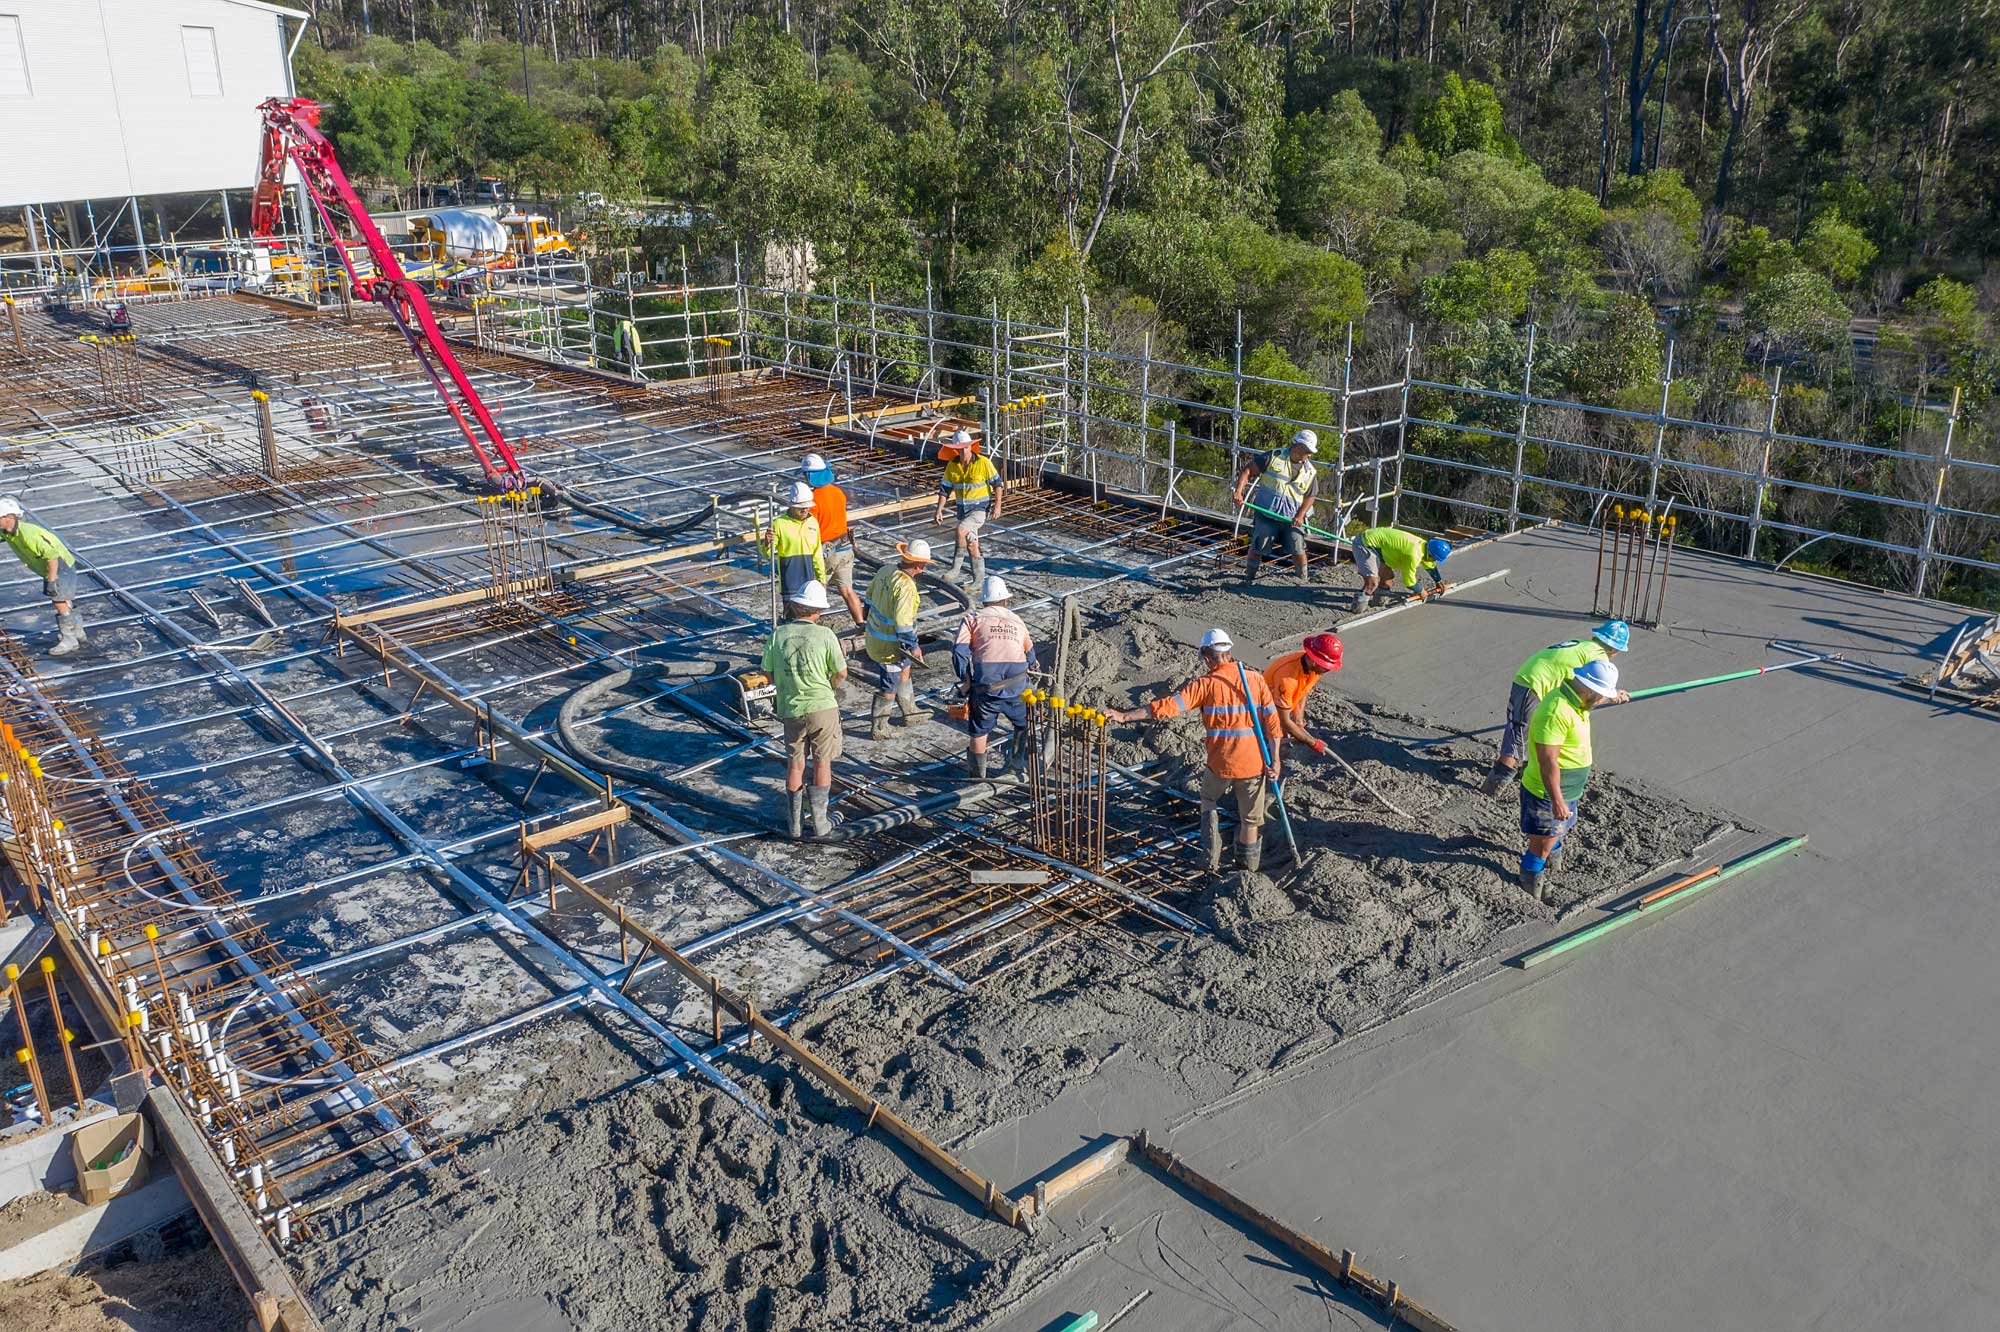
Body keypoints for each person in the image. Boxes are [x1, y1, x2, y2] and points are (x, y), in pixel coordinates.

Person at [1108, 628, 1282, 874]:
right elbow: (1273, 726)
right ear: (1229, 652)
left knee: (1209, 799)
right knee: (1250, 821)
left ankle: (1210, 857)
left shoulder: (1205, 685)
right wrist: (1275, 761)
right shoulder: (1255, 679)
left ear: (1207, 656)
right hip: (1255, 763)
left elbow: (1167, 707)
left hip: (1221, 762)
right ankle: (1246, 870)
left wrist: (1125, 716)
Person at [1482, 621, 1632, 795]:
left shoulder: (1581, 645)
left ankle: (1526, 773)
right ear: (1616, 650)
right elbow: (1591, 695)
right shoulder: (1599, 657)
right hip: (1533, 685)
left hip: (1530, 679)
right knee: (1517, 740)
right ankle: (1490, 789)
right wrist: (1613, 695)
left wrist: (1611, 693)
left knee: (1533, 731)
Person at [1518, 658, 1620, 901]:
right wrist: (1557, 801)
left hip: (1567, 791)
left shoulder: (1579, 701)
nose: (1603, 700)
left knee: (1556, 833)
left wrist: (1616, 694)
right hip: (1548, 794)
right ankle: (1530, 887)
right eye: (1602, 696)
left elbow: (1600, 697)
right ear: (1589, 690)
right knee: (1541, 843)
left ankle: (1552, 865)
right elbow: (1548, 760)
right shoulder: (1557, 711)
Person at [761, 581, 848, 839]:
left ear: (796, 606)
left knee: (795, 763)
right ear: (818, 611)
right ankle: (821, 823)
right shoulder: (825, 635)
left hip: (792, 709)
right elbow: (841, 672)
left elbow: (767, 673)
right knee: (822, 762)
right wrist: (830, 687)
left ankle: (795, 825)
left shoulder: (778, 634)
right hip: (823, 707)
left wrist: (787, 686)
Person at [953, 576, 1037, 780]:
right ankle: (1016, 767)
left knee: (979, 731)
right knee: (1024, 723)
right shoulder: (1017, 621)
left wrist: (966, 681)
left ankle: (977, 777)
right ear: (1006, 601)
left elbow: (959, 651)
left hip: (986, 689)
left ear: (983, 601)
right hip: (1018, 685)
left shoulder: (972, 619)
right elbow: (1031, 657)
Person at [864, 539, 933, 739]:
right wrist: (914, 646)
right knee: (889, 684)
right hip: (889, 645)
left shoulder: (886, 571)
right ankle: (879, 728)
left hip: (875, 635)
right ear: (920, 565)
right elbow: (903, 624)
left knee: (905, 668)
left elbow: (868, 599)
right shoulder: (906, 587)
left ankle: (910, 711)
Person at [1231, 429, 1321, 583]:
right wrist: (1239, 491)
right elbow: (1247, 471)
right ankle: (1249, 577)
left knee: (1297, 546)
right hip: (1266, 513)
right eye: (1307, 451)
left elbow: (1310, 496)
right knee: (1260, 543)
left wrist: (1300, 515)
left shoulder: (1310, 472)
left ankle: (1302, 579)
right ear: (1298, 446)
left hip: (1290, 518)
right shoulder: (1274, 457)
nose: (1309, 455)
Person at [0, 498, 84, 657]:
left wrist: (51, 581)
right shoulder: (8, 532)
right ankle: (78, 632)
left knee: (59, 601)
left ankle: (69, 640)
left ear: (9, 518)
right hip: (51, 566)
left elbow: (52, 557)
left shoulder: (28, 534)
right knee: (64, 600)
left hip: (60, 565)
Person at [933, 428, 1002, 590]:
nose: (963, 451)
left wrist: (998, 505)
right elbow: (945, 490)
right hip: (963, 512)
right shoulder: (952, 466)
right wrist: (939, 510)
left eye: (965, 447)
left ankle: (955, 568)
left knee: (961, 530)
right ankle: (978, 581)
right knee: (972, 544)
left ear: (971, 447)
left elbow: (997, 484)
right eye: (960, 448)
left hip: (980, 509)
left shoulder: (983, 463)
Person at [802, 453, 866, 629]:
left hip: (825, 552)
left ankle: (810, 627)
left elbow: (810, 528)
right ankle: (861, 624)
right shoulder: (838, 492)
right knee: (847, 590)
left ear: (809, 476)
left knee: (817, 591)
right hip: (844, 548)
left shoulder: (812, 500)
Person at [1262, 632, 1343, 760]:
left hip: (1281, 706)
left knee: (1288, 742)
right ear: (1315, 661)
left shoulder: (1313, 668)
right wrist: (1311, 742)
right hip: (1264, 712)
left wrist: (1299, 723)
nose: (1329, 670)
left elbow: (1302, 693)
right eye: (1327, 667)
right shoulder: (1287, 680)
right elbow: (1284, 721)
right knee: (1272, 750)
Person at [1350, 527, 1451, 611]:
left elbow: (1430, 565)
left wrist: (1438, 581)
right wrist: (1421, 591)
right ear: (1431, 554)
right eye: (1435, 558)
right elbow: (1409, 581)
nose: (1435, 561)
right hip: (1365, 544)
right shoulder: (1413, 554)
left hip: (1380, 546)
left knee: (1388, 578)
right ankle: (1357, 609)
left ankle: (1377, 604)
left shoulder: (1425, 546)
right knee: (1372, 583)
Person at [765, 481, 826, 604]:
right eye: (800, 507)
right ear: (792, 505)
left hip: (808, 581)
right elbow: (768, 554)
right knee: (790, 616)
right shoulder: (779, 523)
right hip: (789, 581)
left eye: (807, 506)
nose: (804, 510)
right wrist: (766, 543)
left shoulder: (813, 522)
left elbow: (817, 553)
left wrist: (822, 579)